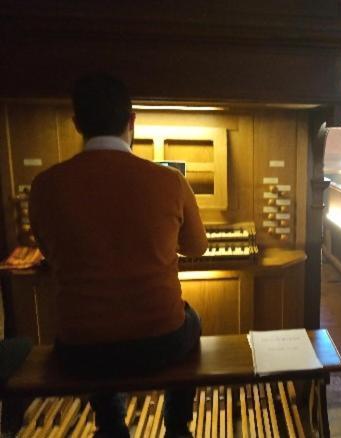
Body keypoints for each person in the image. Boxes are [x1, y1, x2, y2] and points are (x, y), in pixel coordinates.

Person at [29, 74, 208, 437]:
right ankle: (176, 425)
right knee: (194, 320)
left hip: (79, 350)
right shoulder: (170, 181)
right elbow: (196, 247)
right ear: (132, 121)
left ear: (77, 123)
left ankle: (110, 423)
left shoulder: (45, 185)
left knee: (95, 330)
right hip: (161, 344)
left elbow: (50, 252)